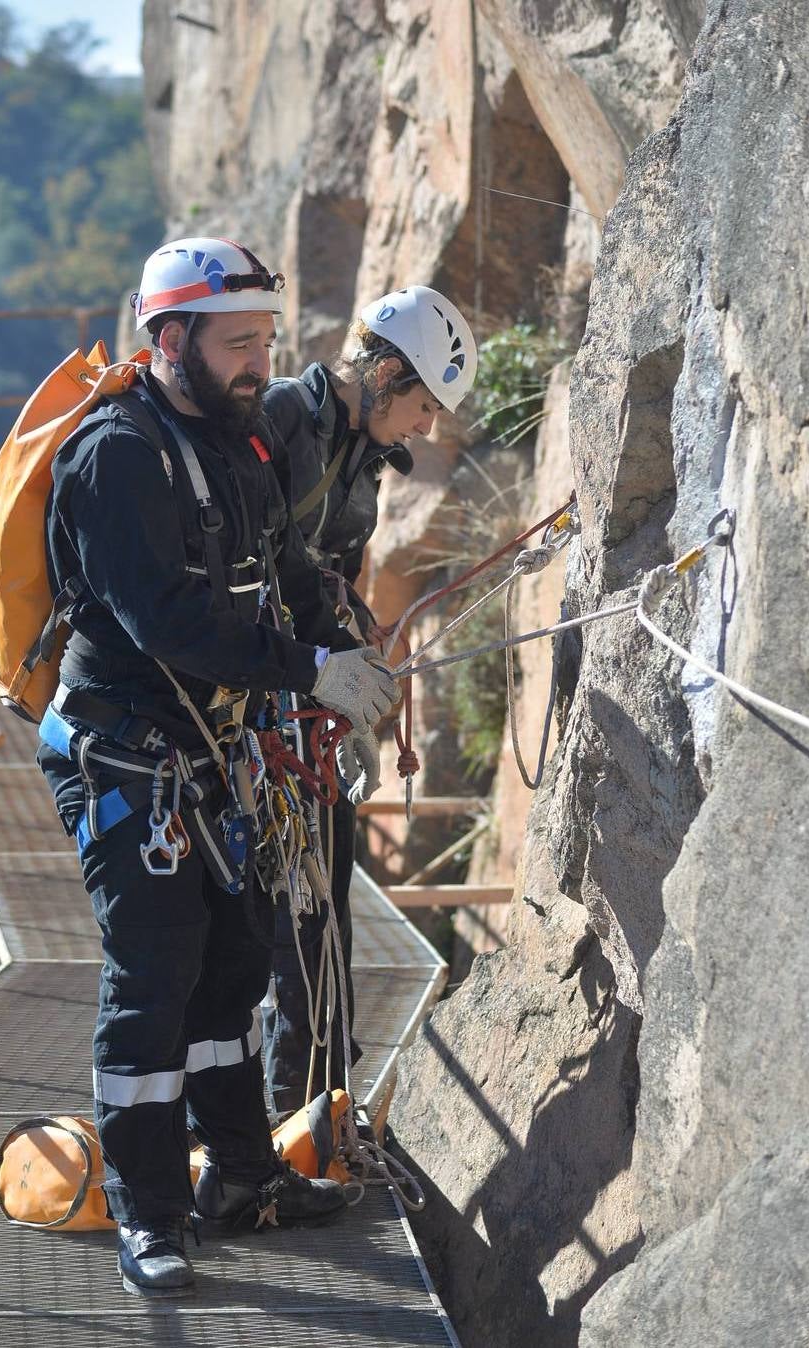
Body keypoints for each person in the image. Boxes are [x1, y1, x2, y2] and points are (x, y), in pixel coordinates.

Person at [34, 236, 398, 1298]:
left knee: (235, 966)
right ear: (170, 336)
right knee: (156, 975)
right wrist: (308, 670)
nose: (257, 364)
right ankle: (149, 1215)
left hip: (207, 751)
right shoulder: (115, 456)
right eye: (237, 343)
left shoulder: (238, 444)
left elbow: (283, 565)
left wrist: (342, 650)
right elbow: (171, 624)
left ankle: (237, 1175)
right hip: (122, 751)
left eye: (266, 343)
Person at [261, 286, 477, 1121]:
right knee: (279, 919)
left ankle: (320, 1098)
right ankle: (282, 1114)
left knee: (328, 893)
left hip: (306, 706)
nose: (426, 427)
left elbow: (336, 581)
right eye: (423, 405)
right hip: (253, 708)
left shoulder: (360, 460)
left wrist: (354, 674)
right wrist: (319, 672)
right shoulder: (283, 423)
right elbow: (258, 567)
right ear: (386, 372)